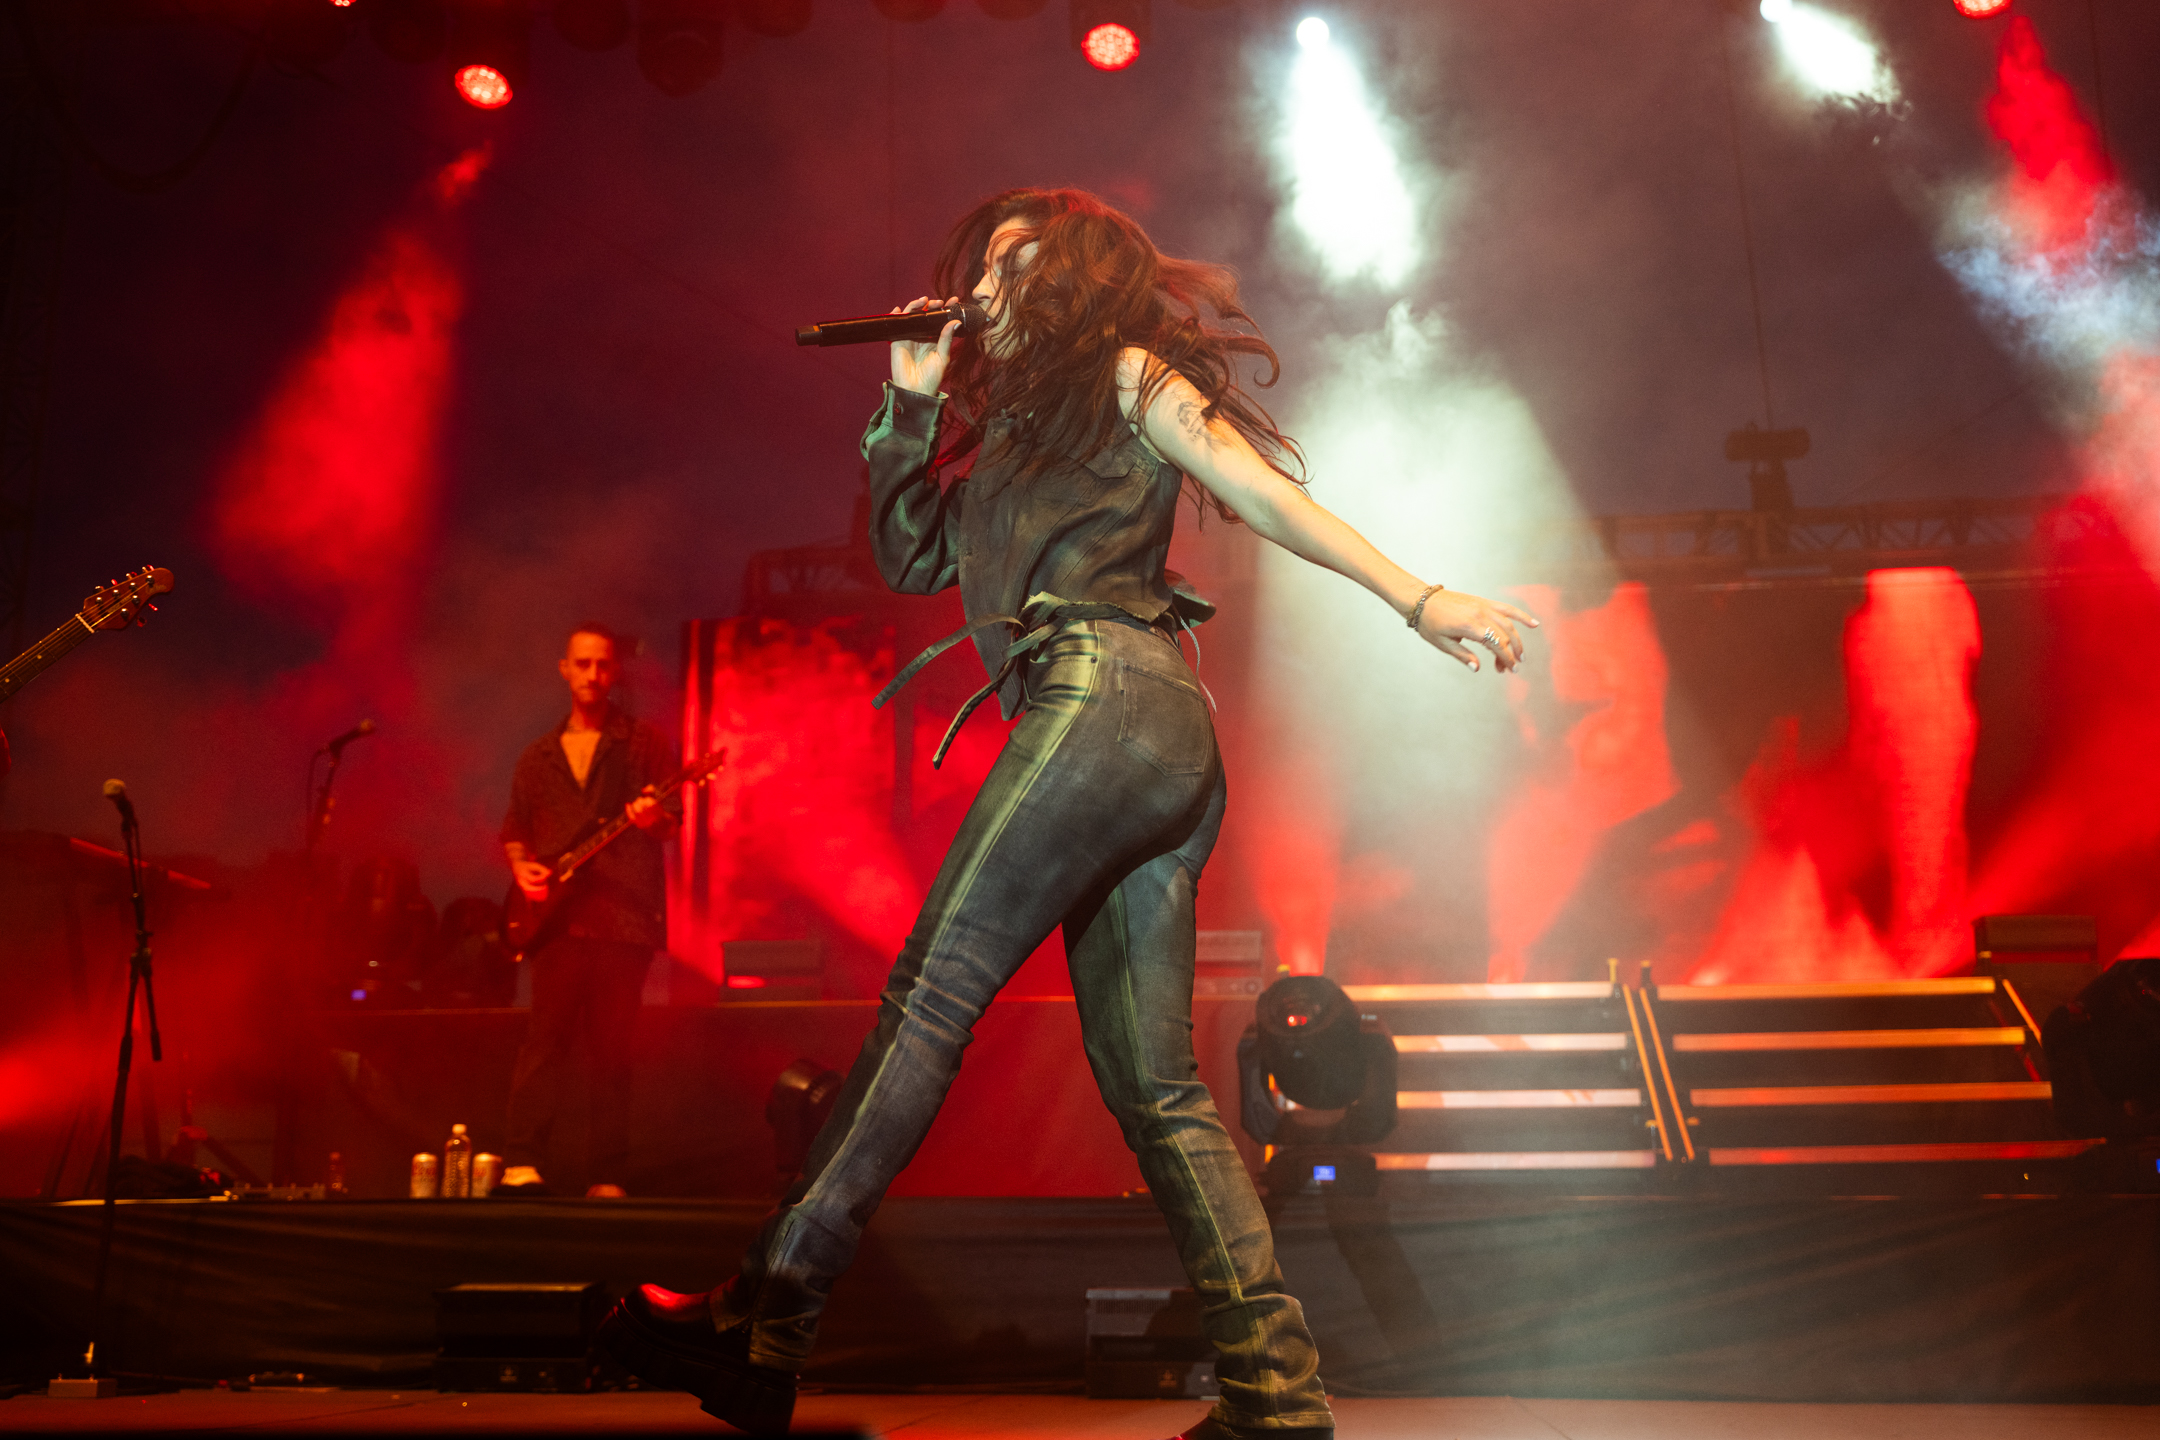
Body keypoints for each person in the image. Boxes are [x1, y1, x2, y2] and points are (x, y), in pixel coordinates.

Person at [599, 189, 1535, 1436]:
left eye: (1003, 262)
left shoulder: (1131, 375)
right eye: (975, 265)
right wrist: (912, 403)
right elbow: (908, 558)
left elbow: (1262, 496)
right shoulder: (1009, 427)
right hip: (1142, 731)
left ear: (1068, 275)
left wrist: (1420, 599)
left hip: (1107, 695)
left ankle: (765, 1317)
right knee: (1155, 1089)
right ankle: (1275, 1395)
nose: (977, 284)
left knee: (929, 998)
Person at [498, 623, 677, 1197]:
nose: (593, 675)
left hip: (624, 924)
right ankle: (523, 1161)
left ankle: (606, 1173)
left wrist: (653, 821)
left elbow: (673, 823)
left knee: (610, 1052)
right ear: (565, 669)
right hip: (553, 922)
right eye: (582, 664)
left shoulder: (643, 744)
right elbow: (516, 830)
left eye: (602, 665)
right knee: (542, 1042)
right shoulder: (538, 756)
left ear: (614, 672)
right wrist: (521, 867)